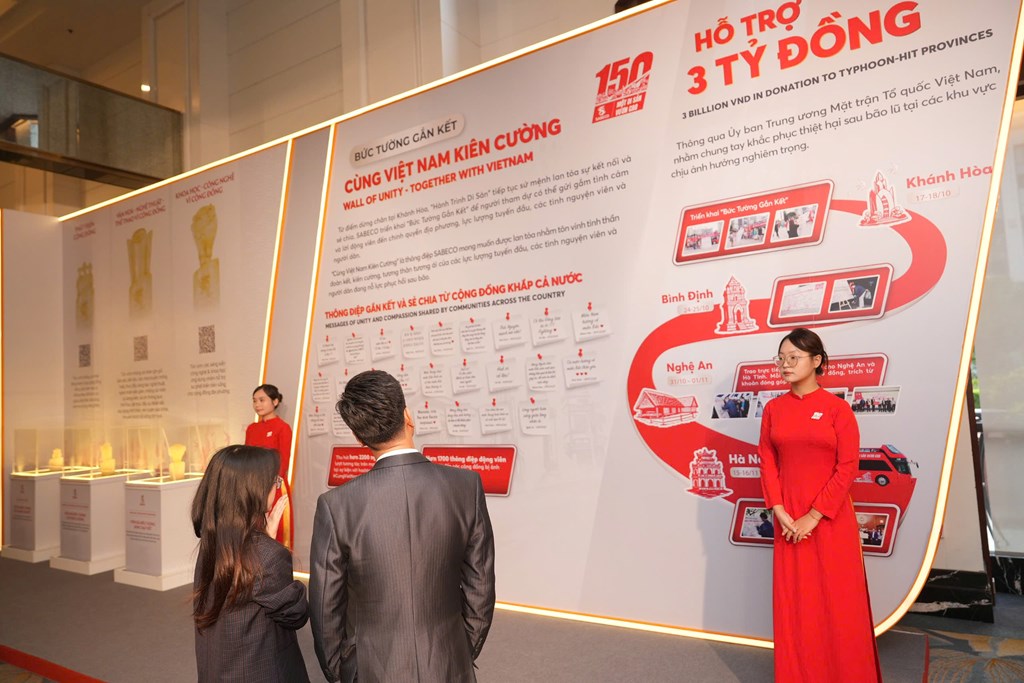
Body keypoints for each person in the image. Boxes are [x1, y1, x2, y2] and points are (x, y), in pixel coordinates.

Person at [310, 370, 496, 683]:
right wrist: (463, 648)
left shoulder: (337, 505)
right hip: (448, 660)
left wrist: (341, 671)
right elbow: (481, 586)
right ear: (408, 417)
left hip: (372, 667)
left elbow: (325, 604)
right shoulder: (466, 486)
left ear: (358, 438)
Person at [758, 328, 882, 682]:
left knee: (837, 601)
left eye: (794, 357)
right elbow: (767, 460)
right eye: (781, 358)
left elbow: (848, 466)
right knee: (796, 603)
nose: (785, 364)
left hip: (829, 518)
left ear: (817, 361)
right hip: (788, 520)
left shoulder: (837, 409)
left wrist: (814, 515)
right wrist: (779, 509)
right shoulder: (773, 409)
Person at [192, 445, 309, 682]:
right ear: (253, 490)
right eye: (274, 481)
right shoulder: (268, 555)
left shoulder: (213, 540)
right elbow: (295, 614)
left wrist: (264, 538)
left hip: (220, 668)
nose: (276, 487)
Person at [245, 384, 293, 546]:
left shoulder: (282, 428)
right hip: (253, 485)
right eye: (254, 401)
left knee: (277, 526)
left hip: (275, 484)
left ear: (275, 401)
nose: (257, 404)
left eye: (262, 400)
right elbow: (247, 458)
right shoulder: (252, 428)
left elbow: (284, 459)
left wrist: (273, 484)